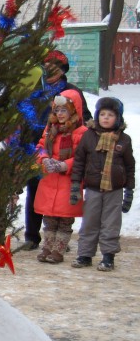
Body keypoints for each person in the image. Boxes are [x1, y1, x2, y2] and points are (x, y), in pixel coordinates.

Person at [19, 50, 93, 252]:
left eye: (55, 67)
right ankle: (32, 236)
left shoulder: (72, 91)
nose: (50, 70)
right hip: (38, 148)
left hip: (65, 151)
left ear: (62, 70)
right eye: (47, 66)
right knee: (35, 191)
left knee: (62, 196)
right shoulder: (35, 89)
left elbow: (83, 116)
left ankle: (58, 240)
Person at [70, 97, 135, 271]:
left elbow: (130, 166)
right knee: (89, 222)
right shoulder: (88, 136)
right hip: (93, 188)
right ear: (97, 115)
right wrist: (76, 184)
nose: (106, 118)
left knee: (111, 223)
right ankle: (84, 255)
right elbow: (79, 162)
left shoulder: (124, 140)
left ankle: (108, 256)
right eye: (103, 114)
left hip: (114, 189)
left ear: (118, 118)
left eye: (111, 115)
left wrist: (129, 190)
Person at [33, 90, 87, 264]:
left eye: (64, 110)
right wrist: (44, 159)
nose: (60, 114)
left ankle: (58, 250)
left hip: (68, 181)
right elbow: (40, 146)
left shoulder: (81, 132)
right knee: (49, 217)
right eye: (57, 110)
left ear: (73, 110)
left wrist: (64, 165)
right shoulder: (50, 129)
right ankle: (47, 247)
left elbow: (82, 156)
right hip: (49, 179)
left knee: (64, 219)